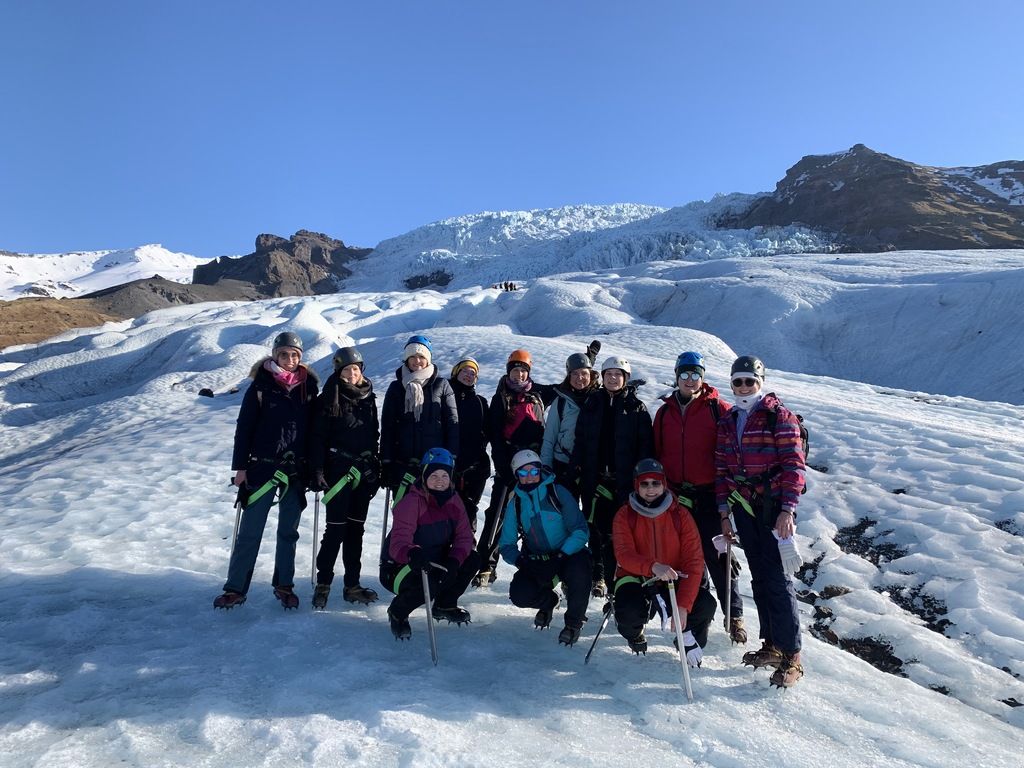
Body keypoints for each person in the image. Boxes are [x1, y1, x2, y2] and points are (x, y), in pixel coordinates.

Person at [716, 355, 807, 688]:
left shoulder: (778, 416)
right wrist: (724, 512)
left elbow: (794, 466)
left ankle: (792, 655)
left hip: (772, 509)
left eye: (749, 381)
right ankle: (772, 643)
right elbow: (722, 470)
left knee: (778, 580)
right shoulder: (729, 420)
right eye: (737, 381)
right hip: (743, 507)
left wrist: (787, 510)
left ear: (761, 382)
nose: (743, 387)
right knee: (760, 577)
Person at [214, 331, 320, 610]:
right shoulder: (260, 387)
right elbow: (244, 428)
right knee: (250, 531)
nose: (289, 359)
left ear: (301, 357)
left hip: (295, 469)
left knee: (289, 531)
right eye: (284, 354)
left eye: (294, 354)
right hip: (261, 467)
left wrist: (314, 466)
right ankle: (236, 588)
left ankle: (284, 585)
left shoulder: (309, 387)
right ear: (275, 355)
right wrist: (239, 468)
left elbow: (314, 431)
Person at [653, 351, 746, 644]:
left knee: (718, 557)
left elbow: (735, 446)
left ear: (703, 377)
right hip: (677, 496)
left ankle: (735, 616)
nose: (690, 380)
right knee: (686, 559)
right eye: (685, 374)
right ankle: (696, 615)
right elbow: (656, 452)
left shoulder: (717, 409)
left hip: (709, 495)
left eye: (696, 374)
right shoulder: (665, 412)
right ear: (676, 375)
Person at [612, 459, 716, 664]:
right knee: (629, 611)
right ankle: (634, 632)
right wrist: (652, 566)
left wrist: (683, 606)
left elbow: (694, 561)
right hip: (638, 577)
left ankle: (688, 640)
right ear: (636, 486)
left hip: (673, 577)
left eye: (656, 483)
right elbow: (623, 554)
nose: (651, 489)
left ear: (664, 484)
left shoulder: (681, 515)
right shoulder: (625, 515)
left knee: (704, 605)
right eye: (644, 483)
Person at [472, 348, 557, 587]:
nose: (519, 375)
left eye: (523, 370)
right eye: (515, 370)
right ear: (509, 371)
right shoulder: (500, 398)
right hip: (509, 464)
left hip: (535, 466)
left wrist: (587, 361)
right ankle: (486, 565)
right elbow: (494, 435)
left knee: (537, 516)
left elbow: (567, 388)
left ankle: (542, 566)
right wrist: (502, 466)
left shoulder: (539, 392)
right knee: (497, 515)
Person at [572, 355, 653, 597]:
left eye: (618, 375)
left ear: (625, 379)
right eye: (609, 374)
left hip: (623, 482)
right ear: (603, 377)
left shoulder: (636, 408)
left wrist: (642, 480)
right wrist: (576, 468)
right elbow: (581, 439)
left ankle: (620, 577)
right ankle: (599, 576)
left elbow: (645, 447)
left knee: (621, 532)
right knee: (595, 529)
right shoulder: (592, 404)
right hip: (594, 479)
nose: (613, 378)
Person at [379, 448, 481, 639]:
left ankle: (444, 604)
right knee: (431, 581)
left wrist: (454, 560)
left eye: (444, 475)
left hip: (433, 560)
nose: (439, 480)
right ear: (424, 475)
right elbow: (398, 543)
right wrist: (412, 553)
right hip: (400, 566)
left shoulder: (454, 500)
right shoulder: (411, 502)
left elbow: (464, 538)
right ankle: (398, 612)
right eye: (433, 475)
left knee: (471, 559)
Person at [308, 346, 381, 609]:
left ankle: (352, 585)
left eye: (356, 369)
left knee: (356, 532)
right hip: (338, 472)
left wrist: (375, 465)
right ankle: (324, 583)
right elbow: (317, 438)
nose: (352, 374)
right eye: (347, 370)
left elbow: (374, 435)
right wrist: (317, 470)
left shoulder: (368, 397)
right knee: (335, 531)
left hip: (363, 472)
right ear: (339, 372)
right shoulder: (328, 397)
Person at [498, 450, 592, 646]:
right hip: (537, 559)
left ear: (541, 470)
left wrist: (560, 556)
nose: (530, 476)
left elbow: (581, 530)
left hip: (568, 554)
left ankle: (574, 623)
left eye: (534, 470)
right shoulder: (515, 503)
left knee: (580, 573)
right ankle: (550, 602)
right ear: (517, 476)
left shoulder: (558, 493)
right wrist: (522, 562)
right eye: (523, 473)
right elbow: (506, 544)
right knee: (520, 594)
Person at [380, 335, 459, 503]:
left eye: (422, 357)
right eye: (412, 357)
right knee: (404, 517)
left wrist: (451, 457)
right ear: (406, 360)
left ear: (428, 359)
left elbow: (452, 423)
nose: (417, 361)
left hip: (434, 465)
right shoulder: (396, 387)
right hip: (402, 463)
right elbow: (388, 426)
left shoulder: (441, 385)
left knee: (431, 517)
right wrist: (386, 461)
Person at [540, 347, 600, 500]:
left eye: (584, 373)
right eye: (575, 373)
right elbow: (549, 437)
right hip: (563, 466)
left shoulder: (599, 399)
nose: (580, 378)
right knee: (565, 513)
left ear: (591, 375)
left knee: (589, 516)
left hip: (591, 466)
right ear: (568, 376)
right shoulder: (560, 401)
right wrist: (546, 468)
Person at [447, 357, 491, 531]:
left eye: (473, 373)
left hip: (474, 470)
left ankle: (466, 554)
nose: (468, 375)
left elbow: (489, 432)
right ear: (456, 372)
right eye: (464, 370)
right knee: (444, 515)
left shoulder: (480, 402)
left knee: (468, 515)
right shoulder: (443, 397)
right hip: (447, 468)